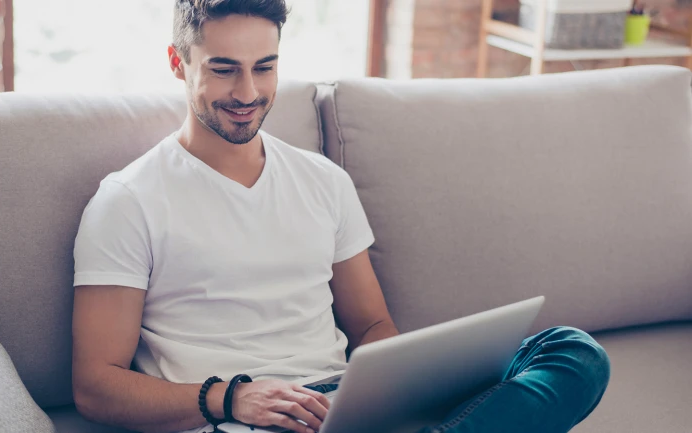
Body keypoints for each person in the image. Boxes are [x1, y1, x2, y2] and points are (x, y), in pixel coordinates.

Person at [71, 1, 611, 432]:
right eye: (224, 70)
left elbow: (372, 325)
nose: (248, 92)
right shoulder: (128, 201)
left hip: (341, 402)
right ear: (177, 62)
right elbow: (96, 386)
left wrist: (388, 386)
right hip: (238, 416)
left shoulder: (322, 180)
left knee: (573, 353)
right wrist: (231, 398)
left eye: (265, 67)